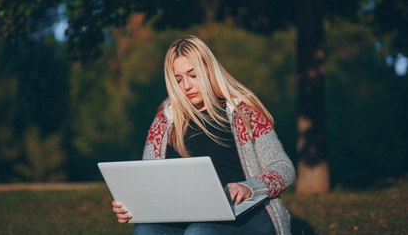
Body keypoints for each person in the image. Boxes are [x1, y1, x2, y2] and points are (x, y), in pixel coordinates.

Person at [112, 35, 296, 234]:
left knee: (199, 231)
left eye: (193, 75)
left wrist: (249, 188)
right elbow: (149, 180)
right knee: (144, 231)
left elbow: (284, 169)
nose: (187, 86)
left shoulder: (242, 112)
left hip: (247, 212)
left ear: (209, 70)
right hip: (185, 218)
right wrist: (134, 205)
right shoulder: (164, 120)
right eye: (178, 79)